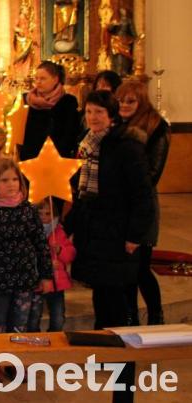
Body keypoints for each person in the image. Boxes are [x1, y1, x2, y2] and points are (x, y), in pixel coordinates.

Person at [65, 90, 153, 402]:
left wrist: (135, 236)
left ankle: (123, 373)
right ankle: (105, 354)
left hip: (117, 235)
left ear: (111, 115)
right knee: (101, 299)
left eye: (99, 112)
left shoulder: (126, 147)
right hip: (94, 234)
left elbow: (143, 195)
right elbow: (81, 195)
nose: (93, 117)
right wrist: (67, 229)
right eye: (89, 111)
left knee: (117, 303)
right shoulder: (87, 145)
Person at [0, 158, 53, 379]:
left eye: (15, 179)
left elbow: (41, 245)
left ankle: (16, 363)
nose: (11, 184)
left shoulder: (28, 209)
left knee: (20, 325)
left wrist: (46, 275)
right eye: (4, 180)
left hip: (25, 279)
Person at [116, 81, 171, 325]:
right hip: (120, 205)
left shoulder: (156, 126)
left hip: (142, 203)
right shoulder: (117, 125)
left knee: (141, 267)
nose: (124, 105)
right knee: (126, 268)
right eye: (121, 100)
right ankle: (130, 316)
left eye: (131, 101)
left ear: (142, 102)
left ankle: (156, 315)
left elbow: (153, 173)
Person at [26, 198, 75, 332]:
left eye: (48, 214)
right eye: (40, 213)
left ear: (54, 215)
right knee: (33, 317)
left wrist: (59, 250)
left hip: (57, 282)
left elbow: (70, 255)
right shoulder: (30, 232)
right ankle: (34, 338)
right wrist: (45, 264)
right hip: (37, 282)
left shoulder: (59, 232)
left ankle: (55, 337)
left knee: (58, 318)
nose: (43, 217)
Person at [21, 61, 81, 160]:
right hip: (30, 157)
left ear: (55, 79)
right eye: (36, 78)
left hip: (57, 157)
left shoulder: (67, 102)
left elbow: (71, 133)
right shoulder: (26, 100)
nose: (38, 82)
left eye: (43, 78)